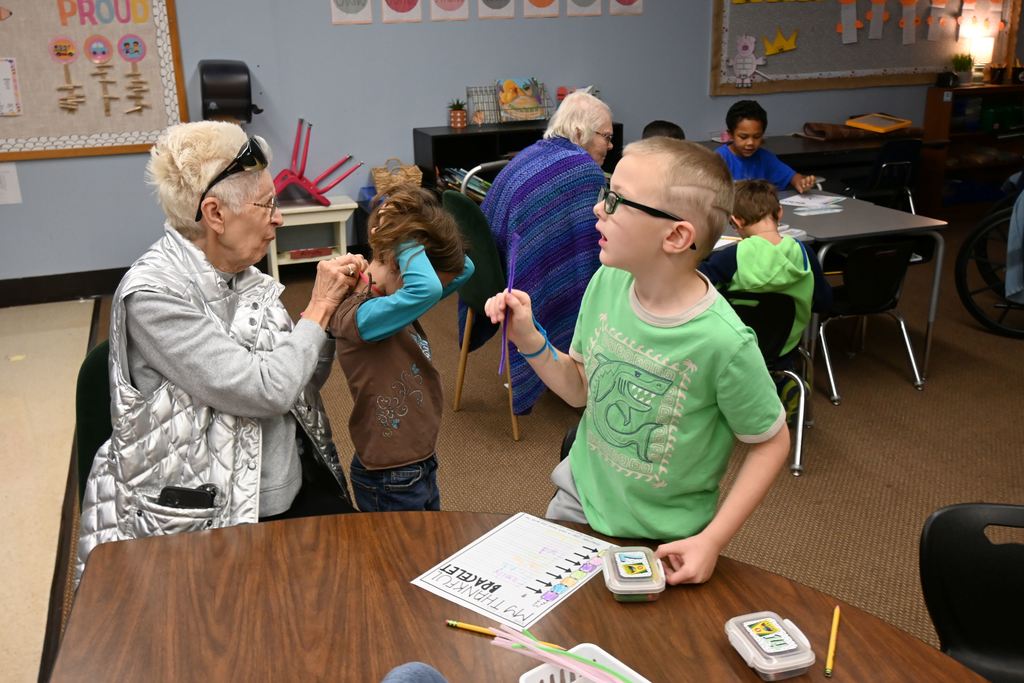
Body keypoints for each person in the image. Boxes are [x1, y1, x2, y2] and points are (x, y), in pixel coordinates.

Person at [484, 138, 790, 585]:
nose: (597, 209)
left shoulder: (724, 342)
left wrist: (713, 540)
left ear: (676, 235)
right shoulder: (606, 282)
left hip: (665, 539)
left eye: (615, 200)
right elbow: (579, 389)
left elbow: (770, 440)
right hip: (578, 503)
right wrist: (528, 337)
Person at [76, 121, 363, 583]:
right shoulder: (153, 295)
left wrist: (330, 320)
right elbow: (265, 391)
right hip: (208, 517)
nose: (279, 218)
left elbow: (299, 384)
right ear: (214, 214)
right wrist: (320, 306)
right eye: (268, 204)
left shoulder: (247, 278)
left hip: (278, 489)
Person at [460, 90, 612, 415]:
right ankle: (579, 373)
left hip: (487, 278)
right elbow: (587, 256)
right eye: (607, 137)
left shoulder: (533, 153)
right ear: (580, 132)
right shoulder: (584, 172)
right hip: (517, 286)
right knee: (605, 282)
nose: (611, 146)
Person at [329, 186, 473, 512]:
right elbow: (427, 288)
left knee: (426, 552)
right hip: (390, 475)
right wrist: (402, 237)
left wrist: (412, 230)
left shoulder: (394, 304)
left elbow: (465, 268)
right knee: (400, 561)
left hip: (418, 460)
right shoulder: (360, 317)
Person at [700, 179, 832, 360]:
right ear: (780, 212)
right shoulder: (805, 253)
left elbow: (695, 287)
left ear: (736, 221)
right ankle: (784, 383)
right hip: (784, 348)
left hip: (733, 350)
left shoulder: (732, 256)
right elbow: (823, 302)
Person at [716, 100, 816, 193]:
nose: (750, 142)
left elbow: (793, 177)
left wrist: (802, 182)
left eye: (757, 137)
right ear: (730, 134)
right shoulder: (719, 159)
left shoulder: (766, 158)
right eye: (743, 137)